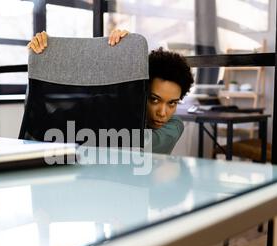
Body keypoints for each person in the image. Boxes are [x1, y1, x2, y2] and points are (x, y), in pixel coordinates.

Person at [27, 30, 194, 155]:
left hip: (133, 192)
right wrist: (40, 62)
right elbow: (39, 127)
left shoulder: (173, 127)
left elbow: (129, 142)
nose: (163, 113)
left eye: (172, 103)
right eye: (154, 99)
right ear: (139, 92)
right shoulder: (102, 105)